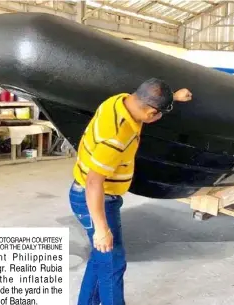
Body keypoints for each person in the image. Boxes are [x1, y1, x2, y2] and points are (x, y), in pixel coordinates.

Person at [68, 78, 192, 305]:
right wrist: (101, 229)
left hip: (97, 194)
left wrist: (173, 96)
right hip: (95, 198)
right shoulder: (116, 136)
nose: (158, 118)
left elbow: (148, 100)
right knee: (113, 262)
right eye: (159, 114)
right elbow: (94, 182)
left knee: (101, 259)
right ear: (151, 112)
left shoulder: (119, 101)